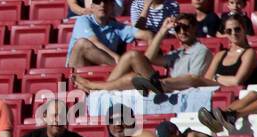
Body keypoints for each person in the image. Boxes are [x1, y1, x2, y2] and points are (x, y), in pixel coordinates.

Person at [74, 14, 211, 97]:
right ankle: (99, 90)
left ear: (195, 28)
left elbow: (193, 79)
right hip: (162, 85)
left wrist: (164, 82)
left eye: (186, 28)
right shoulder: (178, 53)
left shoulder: (200, 50)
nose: (182, 32)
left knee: (133, 75)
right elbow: (149, 58)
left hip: (173, 86)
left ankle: (95, 87)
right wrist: (163, 30)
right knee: (132, 57)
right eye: (178, 29)